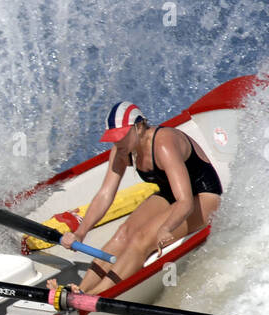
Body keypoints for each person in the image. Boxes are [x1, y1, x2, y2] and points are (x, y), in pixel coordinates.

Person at [60, 102, 222, 294]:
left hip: (204, 196)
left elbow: (185, 201)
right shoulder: (121, 150)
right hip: (171, 194)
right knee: (123, 233)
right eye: (113, 139)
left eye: (120, 137)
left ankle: (95, 296)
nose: (117, 143)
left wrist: (166, 228)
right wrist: (80, 233)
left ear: (138, 127)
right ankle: (80, 290)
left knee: (140, 239)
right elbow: (105, 194)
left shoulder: (164, 144)